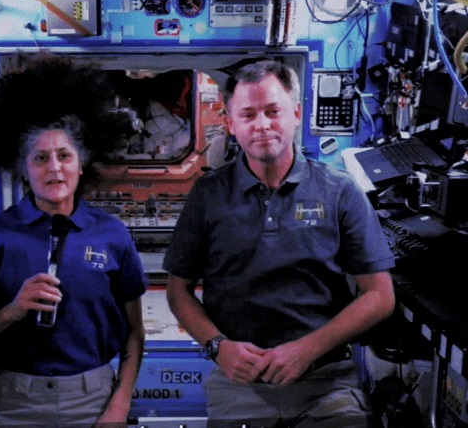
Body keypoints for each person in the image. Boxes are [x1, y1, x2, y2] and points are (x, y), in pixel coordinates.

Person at [163, 59, 396, 427]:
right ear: (231, 123)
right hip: (240, 384)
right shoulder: (208, 195)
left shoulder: (339, 191)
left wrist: (307, 350)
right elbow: (178, 291)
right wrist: (218, 346)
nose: (262, 125)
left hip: (326, 381)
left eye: (273, 111)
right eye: (248, 114)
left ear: (296, 114)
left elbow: (380, 296)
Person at [0, 54, 148, 427]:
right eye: (40, 158)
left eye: (64, 155)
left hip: (94, 399)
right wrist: (12, 310)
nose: (54, 168)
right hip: (16, 401)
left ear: (82, 163)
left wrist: (118, 408)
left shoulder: (112, 234)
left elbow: (134, 334)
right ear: (22, 168)